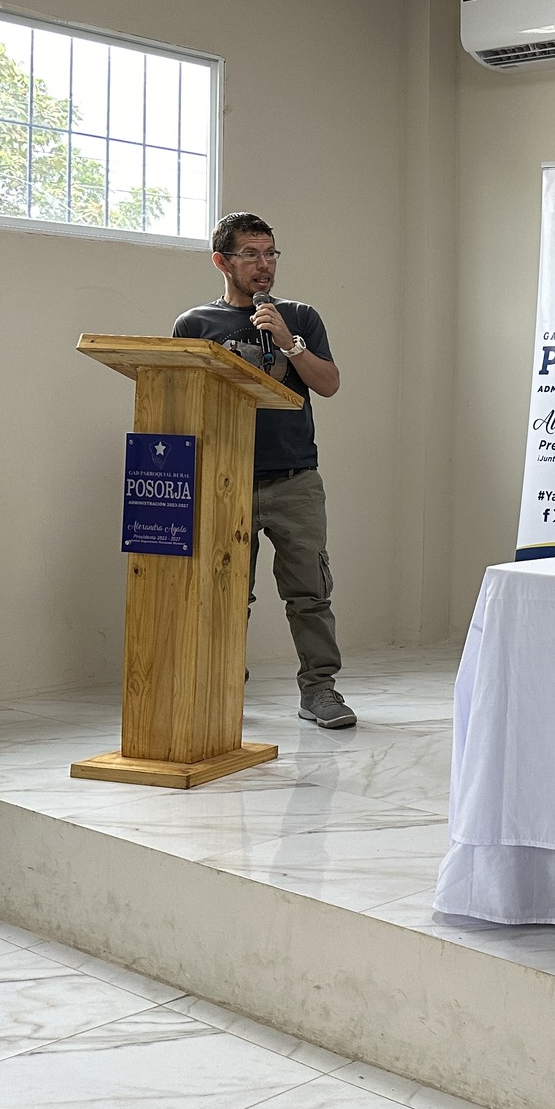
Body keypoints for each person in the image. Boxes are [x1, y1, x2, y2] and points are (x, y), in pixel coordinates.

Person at [173, 212, 354, 728]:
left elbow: (328, 385)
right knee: (226, 595)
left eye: (270, 253)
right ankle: (223, 686)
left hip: (295, 478)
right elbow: (182, 397)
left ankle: (320, 691)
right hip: (225, 478)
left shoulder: (299, 316)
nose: (264, 264)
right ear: (221, 261)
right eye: (250, 254)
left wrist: (289, 342)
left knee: (310, 593)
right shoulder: (195, 324)